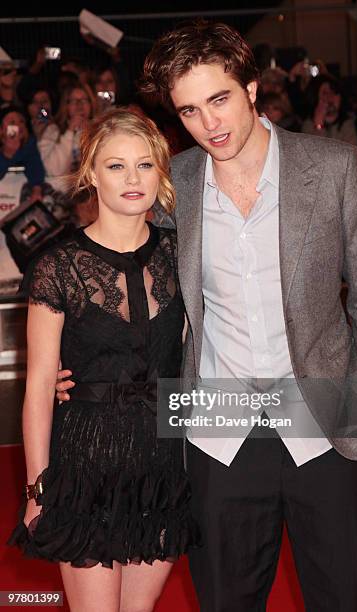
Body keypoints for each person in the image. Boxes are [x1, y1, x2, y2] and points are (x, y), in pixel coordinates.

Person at [57, 21, 357, 612]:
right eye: (189, 111)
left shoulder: (333, 168)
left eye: (219, 100)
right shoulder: (175, 185)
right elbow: (113, 255)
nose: (209, 124)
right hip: (220, 432)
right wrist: (76, 359)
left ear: (250, 88)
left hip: (325, 424)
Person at [9, 107, 200, 612]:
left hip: (162, 466)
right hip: (85, 464)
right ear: (92, 173)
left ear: (161, 172)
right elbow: (38, 390)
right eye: (116, 166)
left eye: (144, 165)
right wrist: (37, 488)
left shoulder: (183, 256)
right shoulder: (58, 266)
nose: (132, 179)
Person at [301, 73, 357, 144]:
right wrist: (318, 125)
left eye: (334, 92)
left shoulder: (348, 123)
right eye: (325, 93)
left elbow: (350, 151)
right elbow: (313, 152)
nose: (330, 97)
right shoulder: (308, 125)